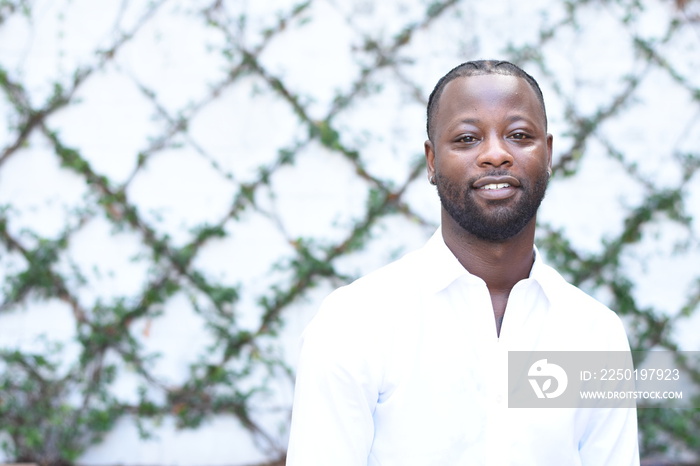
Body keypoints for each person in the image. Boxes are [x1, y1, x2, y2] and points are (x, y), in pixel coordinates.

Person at [285, 60, 639, 465]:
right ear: (432, 162)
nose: (495, 154)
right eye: (468, 138)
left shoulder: (595, 334)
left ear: (548, 153)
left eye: (519, 135)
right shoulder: (356, 321)